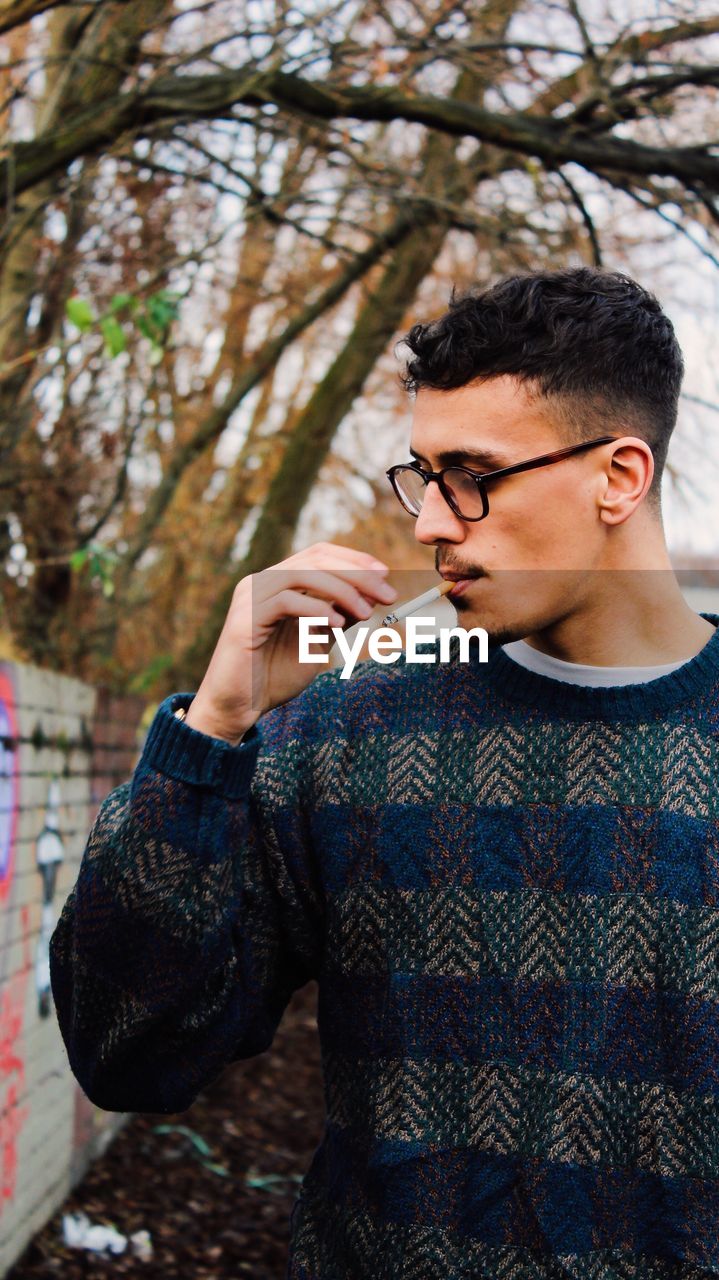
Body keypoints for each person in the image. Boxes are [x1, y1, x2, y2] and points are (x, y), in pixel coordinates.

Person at [50, 266, 719, 1278]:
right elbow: (126, 1049)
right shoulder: (348, 723)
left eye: (471, 475)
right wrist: (213, 729)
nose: (429, 524)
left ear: (617, 476)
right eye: (421, 475)